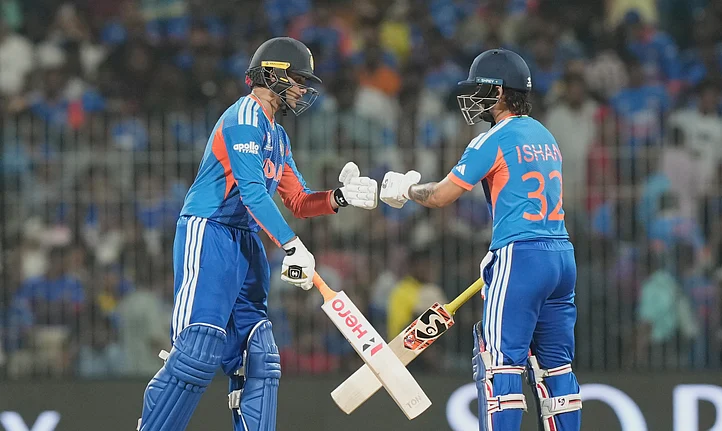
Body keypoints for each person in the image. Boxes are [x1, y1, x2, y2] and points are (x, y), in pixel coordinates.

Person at [137, 37, 378, 431]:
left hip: (245, 241)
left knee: (259, 358)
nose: (302, 90)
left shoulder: (277, 137)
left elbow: (298, 200)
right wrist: (292, 245)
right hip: (210, 231)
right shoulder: (243, 118)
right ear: (271, 74)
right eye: (298, 79)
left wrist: (341, 196)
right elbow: (251, 192)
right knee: (198, 350)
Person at [380, 48, 582, 430]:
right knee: (557, 371)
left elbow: (441, 196)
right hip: (561, 256)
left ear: (501, 94)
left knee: (500, 364)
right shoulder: (546, 135)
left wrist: (406, 190)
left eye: (482, 90)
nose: (475, 99)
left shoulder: (493, 138)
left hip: (519, 256)